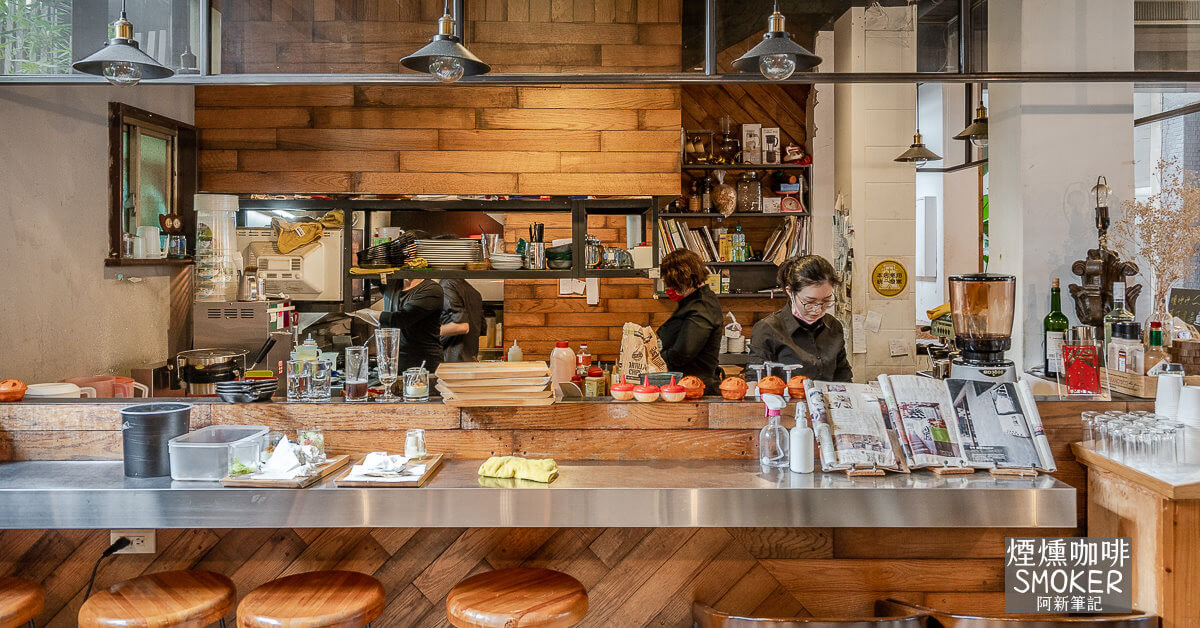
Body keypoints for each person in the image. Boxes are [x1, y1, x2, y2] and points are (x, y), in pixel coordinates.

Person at [750, 254, 852, 382]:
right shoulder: (768, 328)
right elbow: (754, 381)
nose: (818, 309)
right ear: (790, 291)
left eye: (826, 301)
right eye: (809, 301)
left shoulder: (833, 326)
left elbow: (843, 377)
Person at [656, 249, 723, 392]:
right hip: (685, 385)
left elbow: (682, 353)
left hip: (697, 389)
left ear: (687, 278)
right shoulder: (693, 301)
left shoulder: (702, 307)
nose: (670, 288)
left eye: (674, 283)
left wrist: (653, 360)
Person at [380, 277, 444, 373]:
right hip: (395, 363)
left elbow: (399, 319)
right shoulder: (391, 284)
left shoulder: (432, 289)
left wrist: (358, 312)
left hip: (424, 364)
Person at [439, 278, 484, 363]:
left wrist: (428, 332)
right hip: (470, 359)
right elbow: (482, 328)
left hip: (451, 362)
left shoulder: (446, 286)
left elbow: (462, 326)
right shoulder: (473, 291)